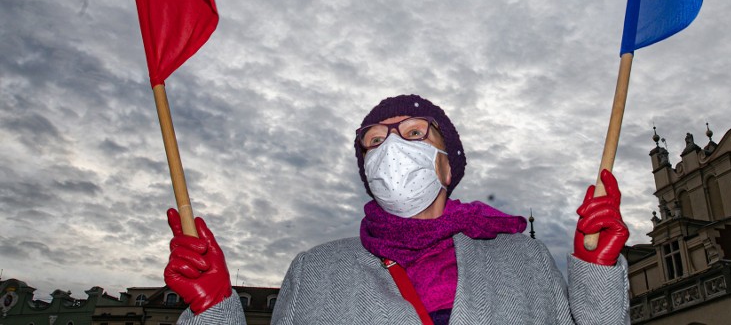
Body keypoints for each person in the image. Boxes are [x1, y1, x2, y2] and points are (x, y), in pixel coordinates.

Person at [165, 94, 631, 324]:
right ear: (367, 169)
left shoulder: (522, 259)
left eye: (413, 133)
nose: (390, 145)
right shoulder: (314, 271)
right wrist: (213, 311)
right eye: (374, 140)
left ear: (449, 167)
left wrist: (596, 274)